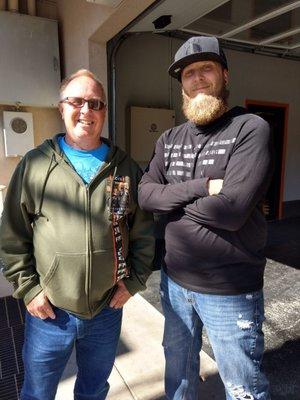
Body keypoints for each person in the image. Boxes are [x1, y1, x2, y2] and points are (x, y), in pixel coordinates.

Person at [0, 69, 154, 400]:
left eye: (95, 103)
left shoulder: (124, 169)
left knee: (94, 389)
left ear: (104, 113)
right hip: (50, 312)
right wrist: (29, 290)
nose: (86, 110)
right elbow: (13, 235)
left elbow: (143, 232)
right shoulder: (36, 164)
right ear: (61, 107)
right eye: (76, 101)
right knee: (38, 393)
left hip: (106, 312)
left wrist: (134, 282)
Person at [138, 36, 273, 400]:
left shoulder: (250, 129)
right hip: (174, 283)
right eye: (189, 73)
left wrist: (171, 201)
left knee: (243, 387)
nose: (197, 78)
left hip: (230, 290)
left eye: (207, 69)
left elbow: (230, 211)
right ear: (181, 84)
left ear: (225, 75)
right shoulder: (168, 139)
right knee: (178, 376)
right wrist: (203, 186)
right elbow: (145, 195)